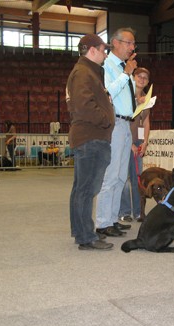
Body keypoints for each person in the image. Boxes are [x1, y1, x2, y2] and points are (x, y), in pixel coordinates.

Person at [66, 33, 114, 250]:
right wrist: (105, 120)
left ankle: (81, 231)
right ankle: (85, 236)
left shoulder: (86, 72)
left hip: (89, 136)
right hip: (91, 137)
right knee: (86, 189)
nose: (105, 54)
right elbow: (83, 105)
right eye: (104, 50)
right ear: (93, 50)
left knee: (82, 188)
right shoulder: (84, 73)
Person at [95, 27, 137, 237]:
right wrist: (127, 73)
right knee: (111, 176)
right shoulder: (107, 66)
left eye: (133, 44)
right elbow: (108, 92)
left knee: (121, 177)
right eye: (129, 43)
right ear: (116, 42)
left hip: (126, 123)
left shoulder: (122, 67)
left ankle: (112, 219)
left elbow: (124, 94)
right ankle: (102, 222)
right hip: (115, 124)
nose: (132, 47)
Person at [119, 67, 151, 222]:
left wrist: (145, 142)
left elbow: (145, 121)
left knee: (137, 177)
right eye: (140, 76)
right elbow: (122, 119)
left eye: (145, 77)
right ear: (133, 77)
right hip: (124, 140)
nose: (142, 79)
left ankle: (138, 211)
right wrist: (130, 143)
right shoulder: (125, 94)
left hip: (138, 141)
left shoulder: (147, 98)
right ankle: (124, 211)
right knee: (124, 178)